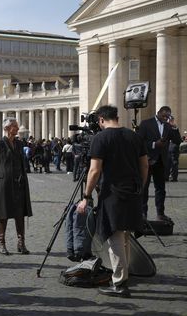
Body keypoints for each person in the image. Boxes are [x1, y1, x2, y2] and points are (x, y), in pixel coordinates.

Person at [77, 105, 148, 298]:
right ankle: (123, 275)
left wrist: (86, 196)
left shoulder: (101, 138)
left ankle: (120, 283)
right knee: (124, 234)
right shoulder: (134, 136)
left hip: (113, 193)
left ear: (101, 120)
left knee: (114, 235)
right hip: (133, 191)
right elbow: (144, 165)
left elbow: (94, 170)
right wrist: (140, 186)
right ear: (116, 117)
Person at [0, 117, 33, 255]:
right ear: (7, 128)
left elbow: (22, 162)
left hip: (19, 183)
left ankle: (21, 243)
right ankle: (1, 243)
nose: (17, 128)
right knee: (3, 214)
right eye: (14, 126)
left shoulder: (20, 144)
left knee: (19, 213)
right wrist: (3, 176)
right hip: (4, 184)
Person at [137, 106, 181, 221]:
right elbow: (139, 142)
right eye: (164, 116)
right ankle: (143, 214)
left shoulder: (168, 126)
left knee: (161, 189)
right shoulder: (146, 124)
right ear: (158, 113)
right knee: (144, 188)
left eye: (168, 116)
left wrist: (175, 128)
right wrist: (153, 144)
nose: (166, 118)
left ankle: (160, 213)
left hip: (161, 162)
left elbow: (177, 141)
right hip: (147, 161)